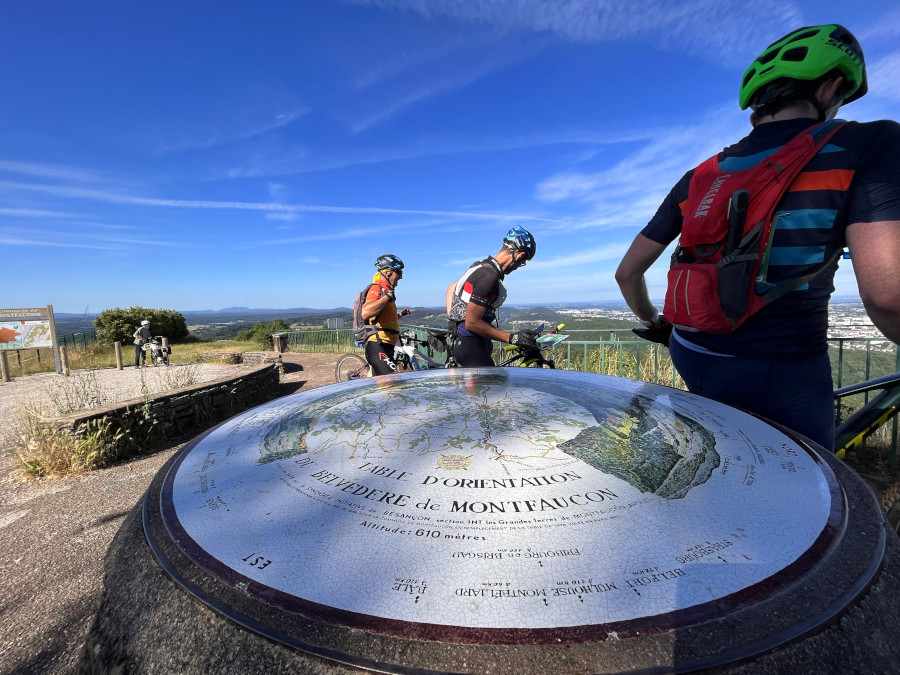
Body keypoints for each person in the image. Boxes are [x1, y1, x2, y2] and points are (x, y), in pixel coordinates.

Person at [615, 24, 900, 451]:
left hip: (690, 349)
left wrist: (656, 323)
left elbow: (627, 273)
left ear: (757, 106)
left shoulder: (700, 176)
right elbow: (889, 296)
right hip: (780, 364)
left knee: (718, 461)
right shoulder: (868, 144)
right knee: (808, 491)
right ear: (830, 89)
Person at [447, 226, 538, 367]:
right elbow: (472, 322)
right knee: (495, 389)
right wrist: (512, 338)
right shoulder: (489, 276)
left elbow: (452, 287)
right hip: (473, 346)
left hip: (467, 344)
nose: (519, 266)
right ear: (519, 255)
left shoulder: (479, 266)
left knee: (493, 386)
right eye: (523, 262)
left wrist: (452, 319)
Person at [360, 254, 409, 375]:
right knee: (391, 384)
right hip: (379, 345)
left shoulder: (387, 290)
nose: (401, 277)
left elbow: (385, 320)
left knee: (381, 387)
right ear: (387, 273)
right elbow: (366, 313)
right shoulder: (377, 288)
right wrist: (386, 297)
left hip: (388, 346)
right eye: (398, 272)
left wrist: (400, 315)